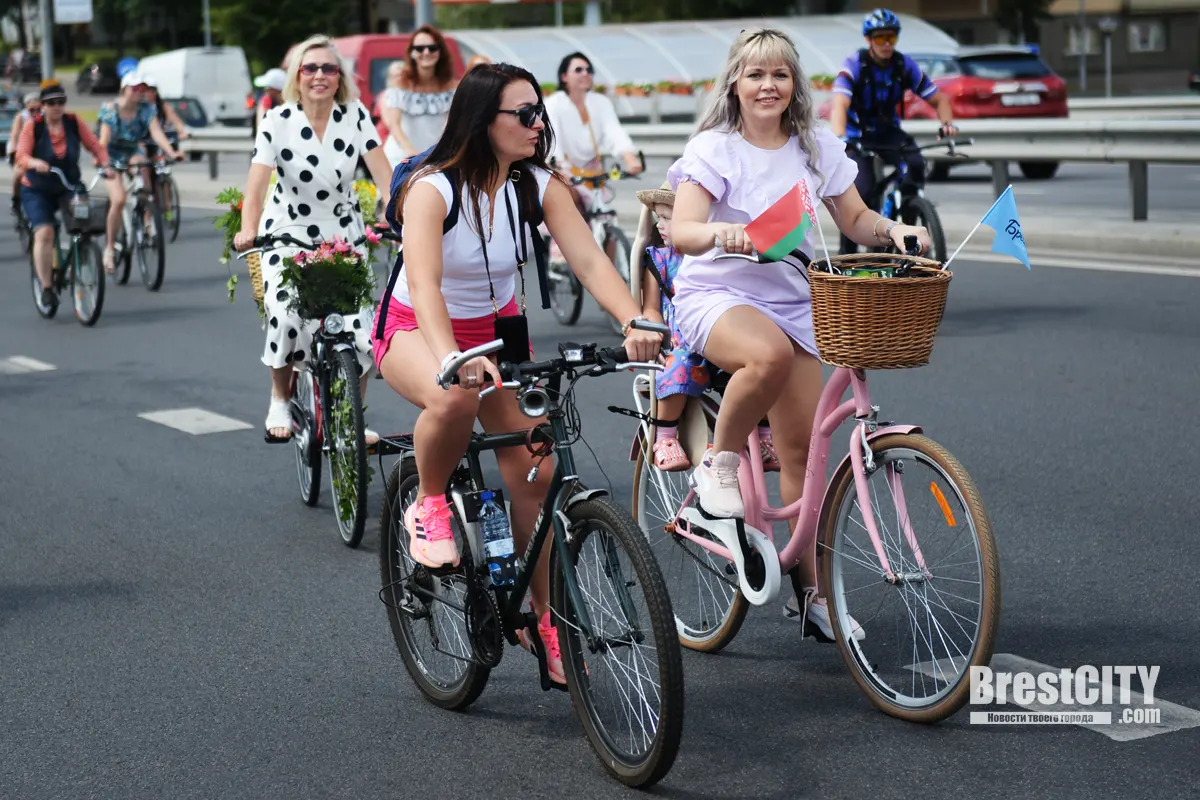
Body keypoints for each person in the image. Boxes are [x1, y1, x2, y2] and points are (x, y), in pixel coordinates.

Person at [374, 62, 660, 683]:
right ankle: (427, 504)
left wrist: (636, 321)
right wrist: (452, 357)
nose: (539, 124)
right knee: (451, 402)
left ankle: (547, 618)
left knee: (538, 469)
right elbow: (422, 284)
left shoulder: (536, 184)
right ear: (483, 121)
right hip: (416, 329)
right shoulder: (433, 188)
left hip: (496, 333)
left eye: (541, 113)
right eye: (524, 114)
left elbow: (586, 258)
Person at [666, 27, 931, 641]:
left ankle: (809, 593)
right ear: (736, 81)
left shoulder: (814, 146)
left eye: (779, 74)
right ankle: (717, 469)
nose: (767, 85)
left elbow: (855, 218)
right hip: (719, 293)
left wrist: (894, 231)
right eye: (755, 74)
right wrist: (721, 234)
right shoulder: (715, 147)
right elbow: (682, 230)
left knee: (804, 455)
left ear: (794, 85)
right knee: (765, 358)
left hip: (793, 299)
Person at [232, 34, 394, 444]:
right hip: (287, 234)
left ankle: (349, 419)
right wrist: (247, 230)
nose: (319, 75)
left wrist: (400, 214)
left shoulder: (356, 115)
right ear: (297, 77)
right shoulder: (277, 120)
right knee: (286, 315)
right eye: (310, 68)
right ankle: (280, 398)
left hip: (344, 236)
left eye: (328, 68)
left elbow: (385, 178)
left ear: (340, 78)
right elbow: (256, 186)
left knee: (363, 331)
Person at [634, 183, 779, 474]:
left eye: (668, 218)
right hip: (681, 342)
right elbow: (651, 305)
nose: (661, 225)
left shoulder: (713, 254)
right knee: (681, 366)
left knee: (757, 372)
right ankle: (664, 435)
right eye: (658, 218)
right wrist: (653, 332)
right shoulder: (660, 259)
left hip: (718, 335)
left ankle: (763, 435)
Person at [829, 8, 957, 252]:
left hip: (889, 132)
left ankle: (908, 213)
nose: (886, 43)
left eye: (891, 37)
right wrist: (841, 138)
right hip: (858, 136)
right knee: (862, 191)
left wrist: (947, 124)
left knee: (917, 164)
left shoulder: (903, 65)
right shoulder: (854, 65)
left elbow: (940, 100)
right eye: (880, 38)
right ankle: (848, 251)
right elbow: (839, 105)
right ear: (869, 40)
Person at [15, 80, 110, 311]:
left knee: (84, 223)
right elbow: (21, 156)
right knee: (45, 232)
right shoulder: (33, 126)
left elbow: (94, 145)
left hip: (68, 185)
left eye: (61, 102)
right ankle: (47, 287)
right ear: (43, 106)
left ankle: (83, 256)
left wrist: (105, 164)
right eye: (51, 103)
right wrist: (34, 162)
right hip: (37, 189)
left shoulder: (74, 122)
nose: (57, 107)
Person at [97, 71, 182, 272]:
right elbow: (104, 139)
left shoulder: (146, 109)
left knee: (144, 169)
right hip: (111, 155)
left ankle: (147, 221)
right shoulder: (110, 109)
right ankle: (109, 249)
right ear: (124, 89)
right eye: (135, 88)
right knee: (118, 199)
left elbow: (156, 133)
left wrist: (171, 152)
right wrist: (102, 161)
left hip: (132, 151)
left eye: (142, 89)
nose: (139, 92)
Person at [544, 52, 642, 214]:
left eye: (589, 70)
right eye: (578, 70)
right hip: (563, 171)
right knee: (570, 210)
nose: (586, 74)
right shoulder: (554, 104)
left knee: (604, 219)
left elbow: (614, 132)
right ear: (564, 77)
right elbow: (552, 141)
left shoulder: (601, 102)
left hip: (593, 173)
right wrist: (560, 170)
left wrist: (630, 159)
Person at [380, 25, 457, 167]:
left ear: (440, 52)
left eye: (432, 48)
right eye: (419, 48)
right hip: (402, 157)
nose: (426, 52)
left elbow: (451, 125)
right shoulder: (400, 85)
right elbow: (394, 124)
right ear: (412, 53)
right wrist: (410, 151)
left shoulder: (453, 88)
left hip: (437, 159)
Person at [8, 91, 42, 211]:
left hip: (39, 151)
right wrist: (13, 150)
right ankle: (15, 199)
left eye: (38, 109)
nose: (35, 113)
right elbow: (15, 135)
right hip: (21, 150)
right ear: (26, 107)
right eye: (32, 110)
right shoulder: (21, 117)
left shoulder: (45, 117)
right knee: (18, 174)